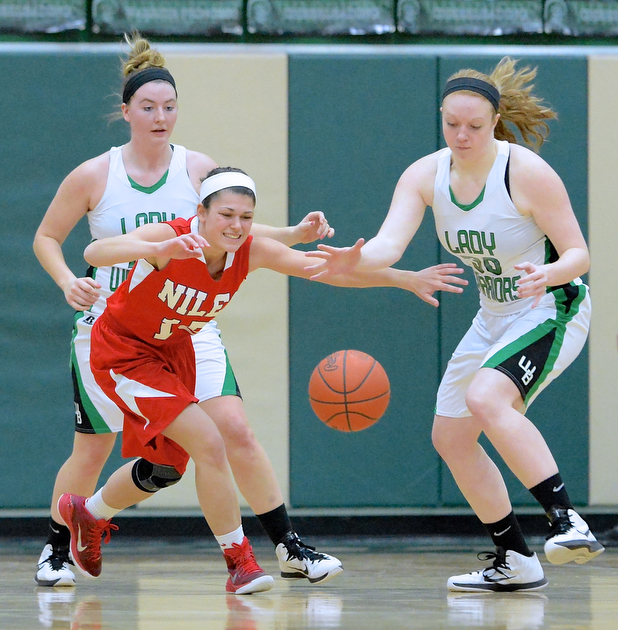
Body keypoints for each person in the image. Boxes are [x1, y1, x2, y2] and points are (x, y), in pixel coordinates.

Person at [57, 167, 467, 594]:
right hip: (123, 353)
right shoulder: (175, 238)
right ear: (201, 212)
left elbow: (325, 269)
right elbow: (96, 249)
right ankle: (240, 562)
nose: (236, 226)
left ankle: (89, 513)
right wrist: (161, 246)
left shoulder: (251, 252)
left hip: (175, 352)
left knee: (169, 467)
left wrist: (402, 278)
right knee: (210, 442)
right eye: (227, 215)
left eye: (246, 217)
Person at [31, 32, 340, 589]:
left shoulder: (198, 168)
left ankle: (288, 548)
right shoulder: (94, 175)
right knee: (98, 447)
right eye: (148, 107)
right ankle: (59, 546)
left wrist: (293, 234)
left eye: (169, 107)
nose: (160, 117)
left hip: (186, 325)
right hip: (113, 327)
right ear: (126, 112)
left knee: (233, 433)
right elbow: (50, 238)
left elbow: (234, 225)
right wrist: (66, 281)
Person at [306, 57, 604, 592]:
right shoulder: (425, 175)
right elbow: (388, 246)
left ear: (494, 122)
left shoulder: (526, 173)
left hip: (551, 305)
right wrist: (357, 260)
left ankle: (568, 521)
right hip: (494, 314)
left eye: (474, 126)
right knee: (451, 436)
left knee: (489, 398)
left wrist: (550, 271)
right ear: (441, 118)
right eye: (452, 124)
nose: (461, 135)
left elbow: (580, 253)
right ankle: (514, 557)